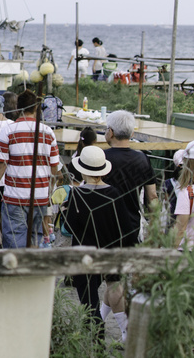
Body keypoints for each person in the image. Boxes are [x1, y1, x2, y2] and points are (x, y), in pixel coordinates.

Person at [62, 146, 129, 341]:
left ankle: (96, 340)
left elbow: (69, 227)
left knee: (88, 301)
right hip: (110, 251)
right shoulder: (115, 194)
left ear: (83, 170)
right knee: (114, 286)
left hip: (85, 254)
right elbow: (124, 226)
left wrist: (65, 210)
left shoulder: (77, 195)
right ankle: (123, 332)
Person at [0, 89, 61, 248]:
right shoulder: (48, 132)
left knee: (15, 242)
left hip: (15, 198)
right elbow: (55, 169)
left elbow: (1, 165)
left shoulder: (8, 131)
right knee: (36, 239)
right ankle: (32, 271)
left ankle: (16, 272)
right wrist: (49, 192)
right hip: (40, 197)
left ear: (17, 109)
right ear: (36, 109)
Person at [102, 110, 157, 247]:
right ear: (132, 134)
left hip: (103, 225)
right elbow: (152, 196)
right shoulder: (142, 159)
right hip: (132, 226)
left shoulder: (102, 158)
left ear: (111, 132)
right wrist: (154, 229)